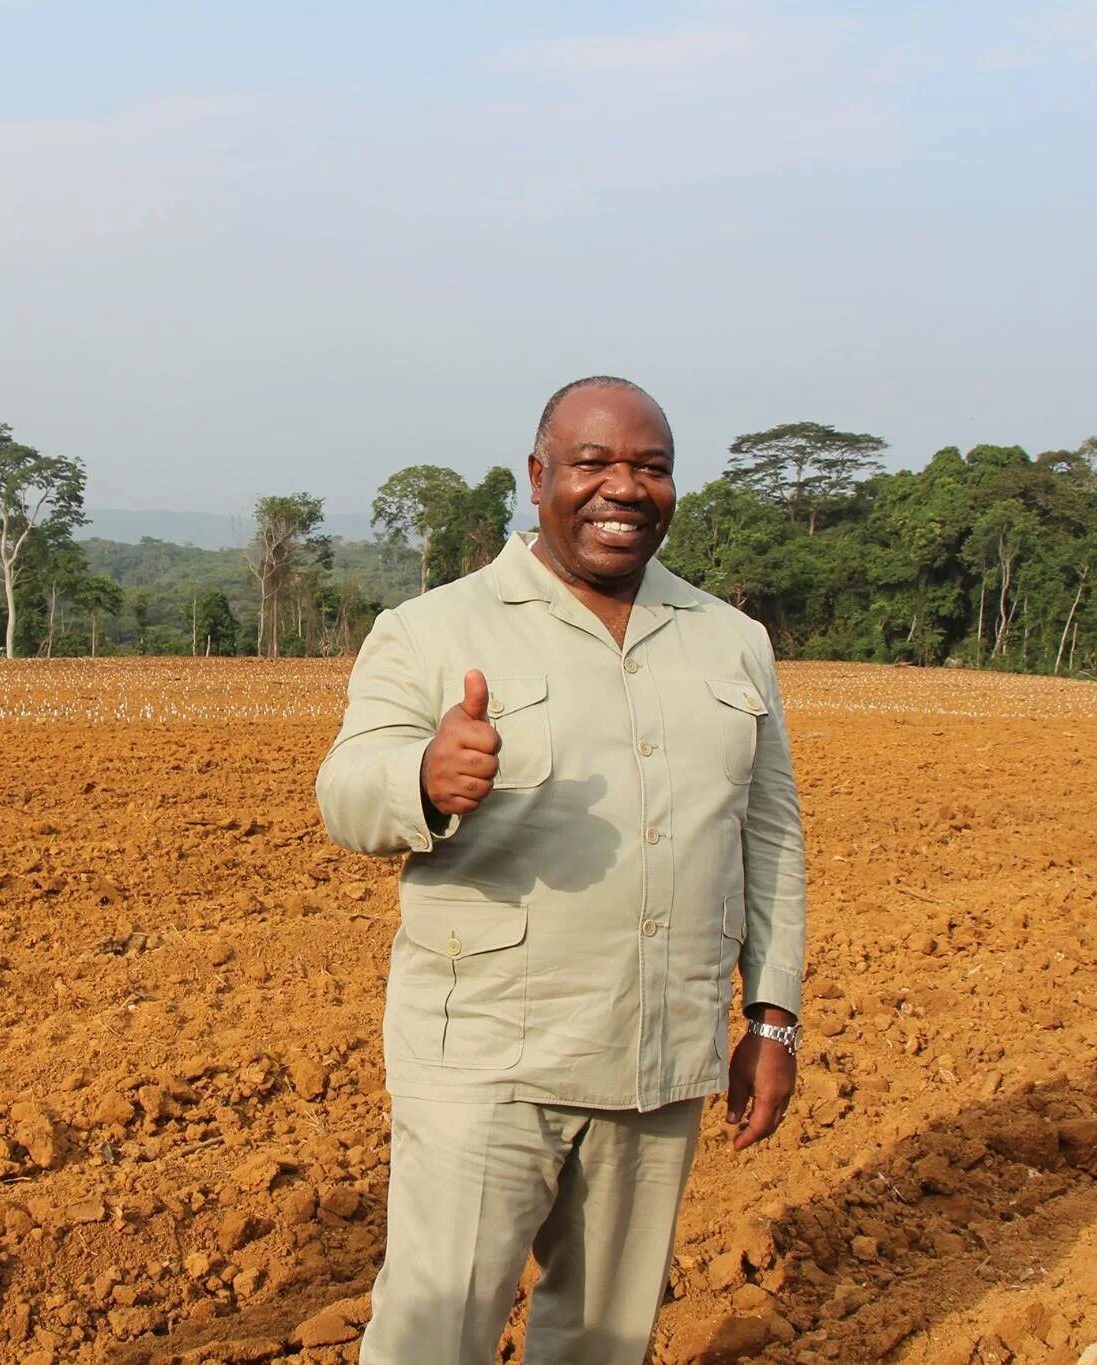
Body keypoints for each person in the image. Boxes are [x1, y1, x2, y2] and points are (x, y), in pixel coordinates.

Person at [315, 376, 808, 1365]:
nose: (622, 488)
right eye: (592, 464)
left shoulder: (730, 642)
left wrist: (769, 1017)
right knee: (431, 1334)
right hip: (486, 1059)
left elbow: (769, 839)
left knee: (600, 1341)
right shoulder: (434, 630)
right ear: (538, 477)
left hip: (657, 1062)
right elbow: (343, 793)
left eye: (650, 468)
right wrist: (423, 774)